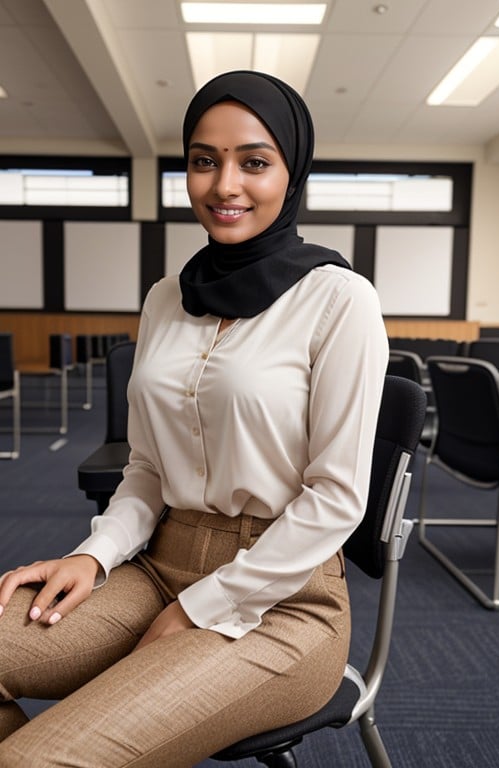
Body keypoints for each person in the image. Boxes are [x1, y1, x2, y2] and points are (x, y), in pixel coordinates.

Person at [0, 70, 388, 767]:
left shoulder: (340, 300)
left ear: (292, 171)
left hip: (283, 600)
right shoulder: (166, 298)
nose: (224, 184)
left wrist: (198, 609)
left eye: (254, 162)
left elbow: (336, 500)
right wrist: (94, 554)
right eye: (204, 160)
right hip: (155, 566)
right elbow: (147, 467)